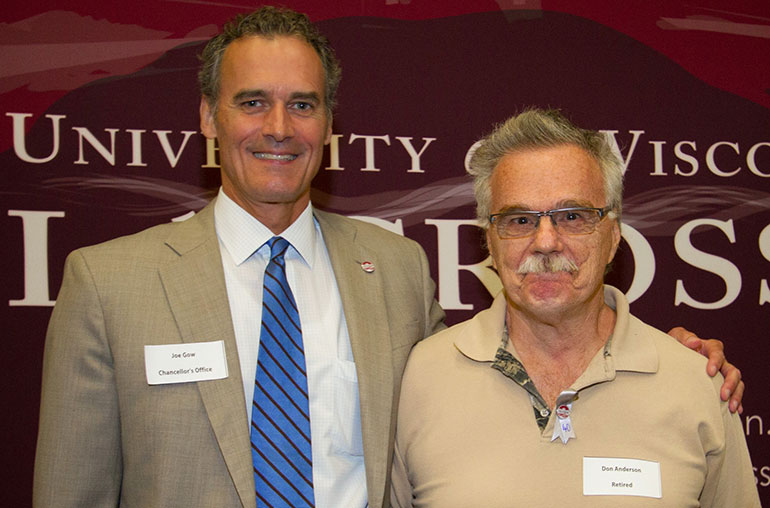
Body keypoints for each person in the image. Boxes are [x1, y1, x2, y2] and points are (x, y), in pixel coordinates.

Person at [32, 7, 742, 508]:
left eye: (304, 105)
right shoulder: (110, 283)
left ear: (330, 124)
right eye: (252, 102)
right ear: (208, 117)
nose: (279, 129)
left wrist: (663, 364)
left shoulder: (395, 270)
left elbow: (503, 373)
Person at [391, 109, 759, 507]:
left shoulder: (699, 383)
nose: (546, 242)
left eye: (572, 216)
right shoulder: (419, 378)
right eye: (519, 220)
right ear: (490, 243)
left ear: (614, 237)